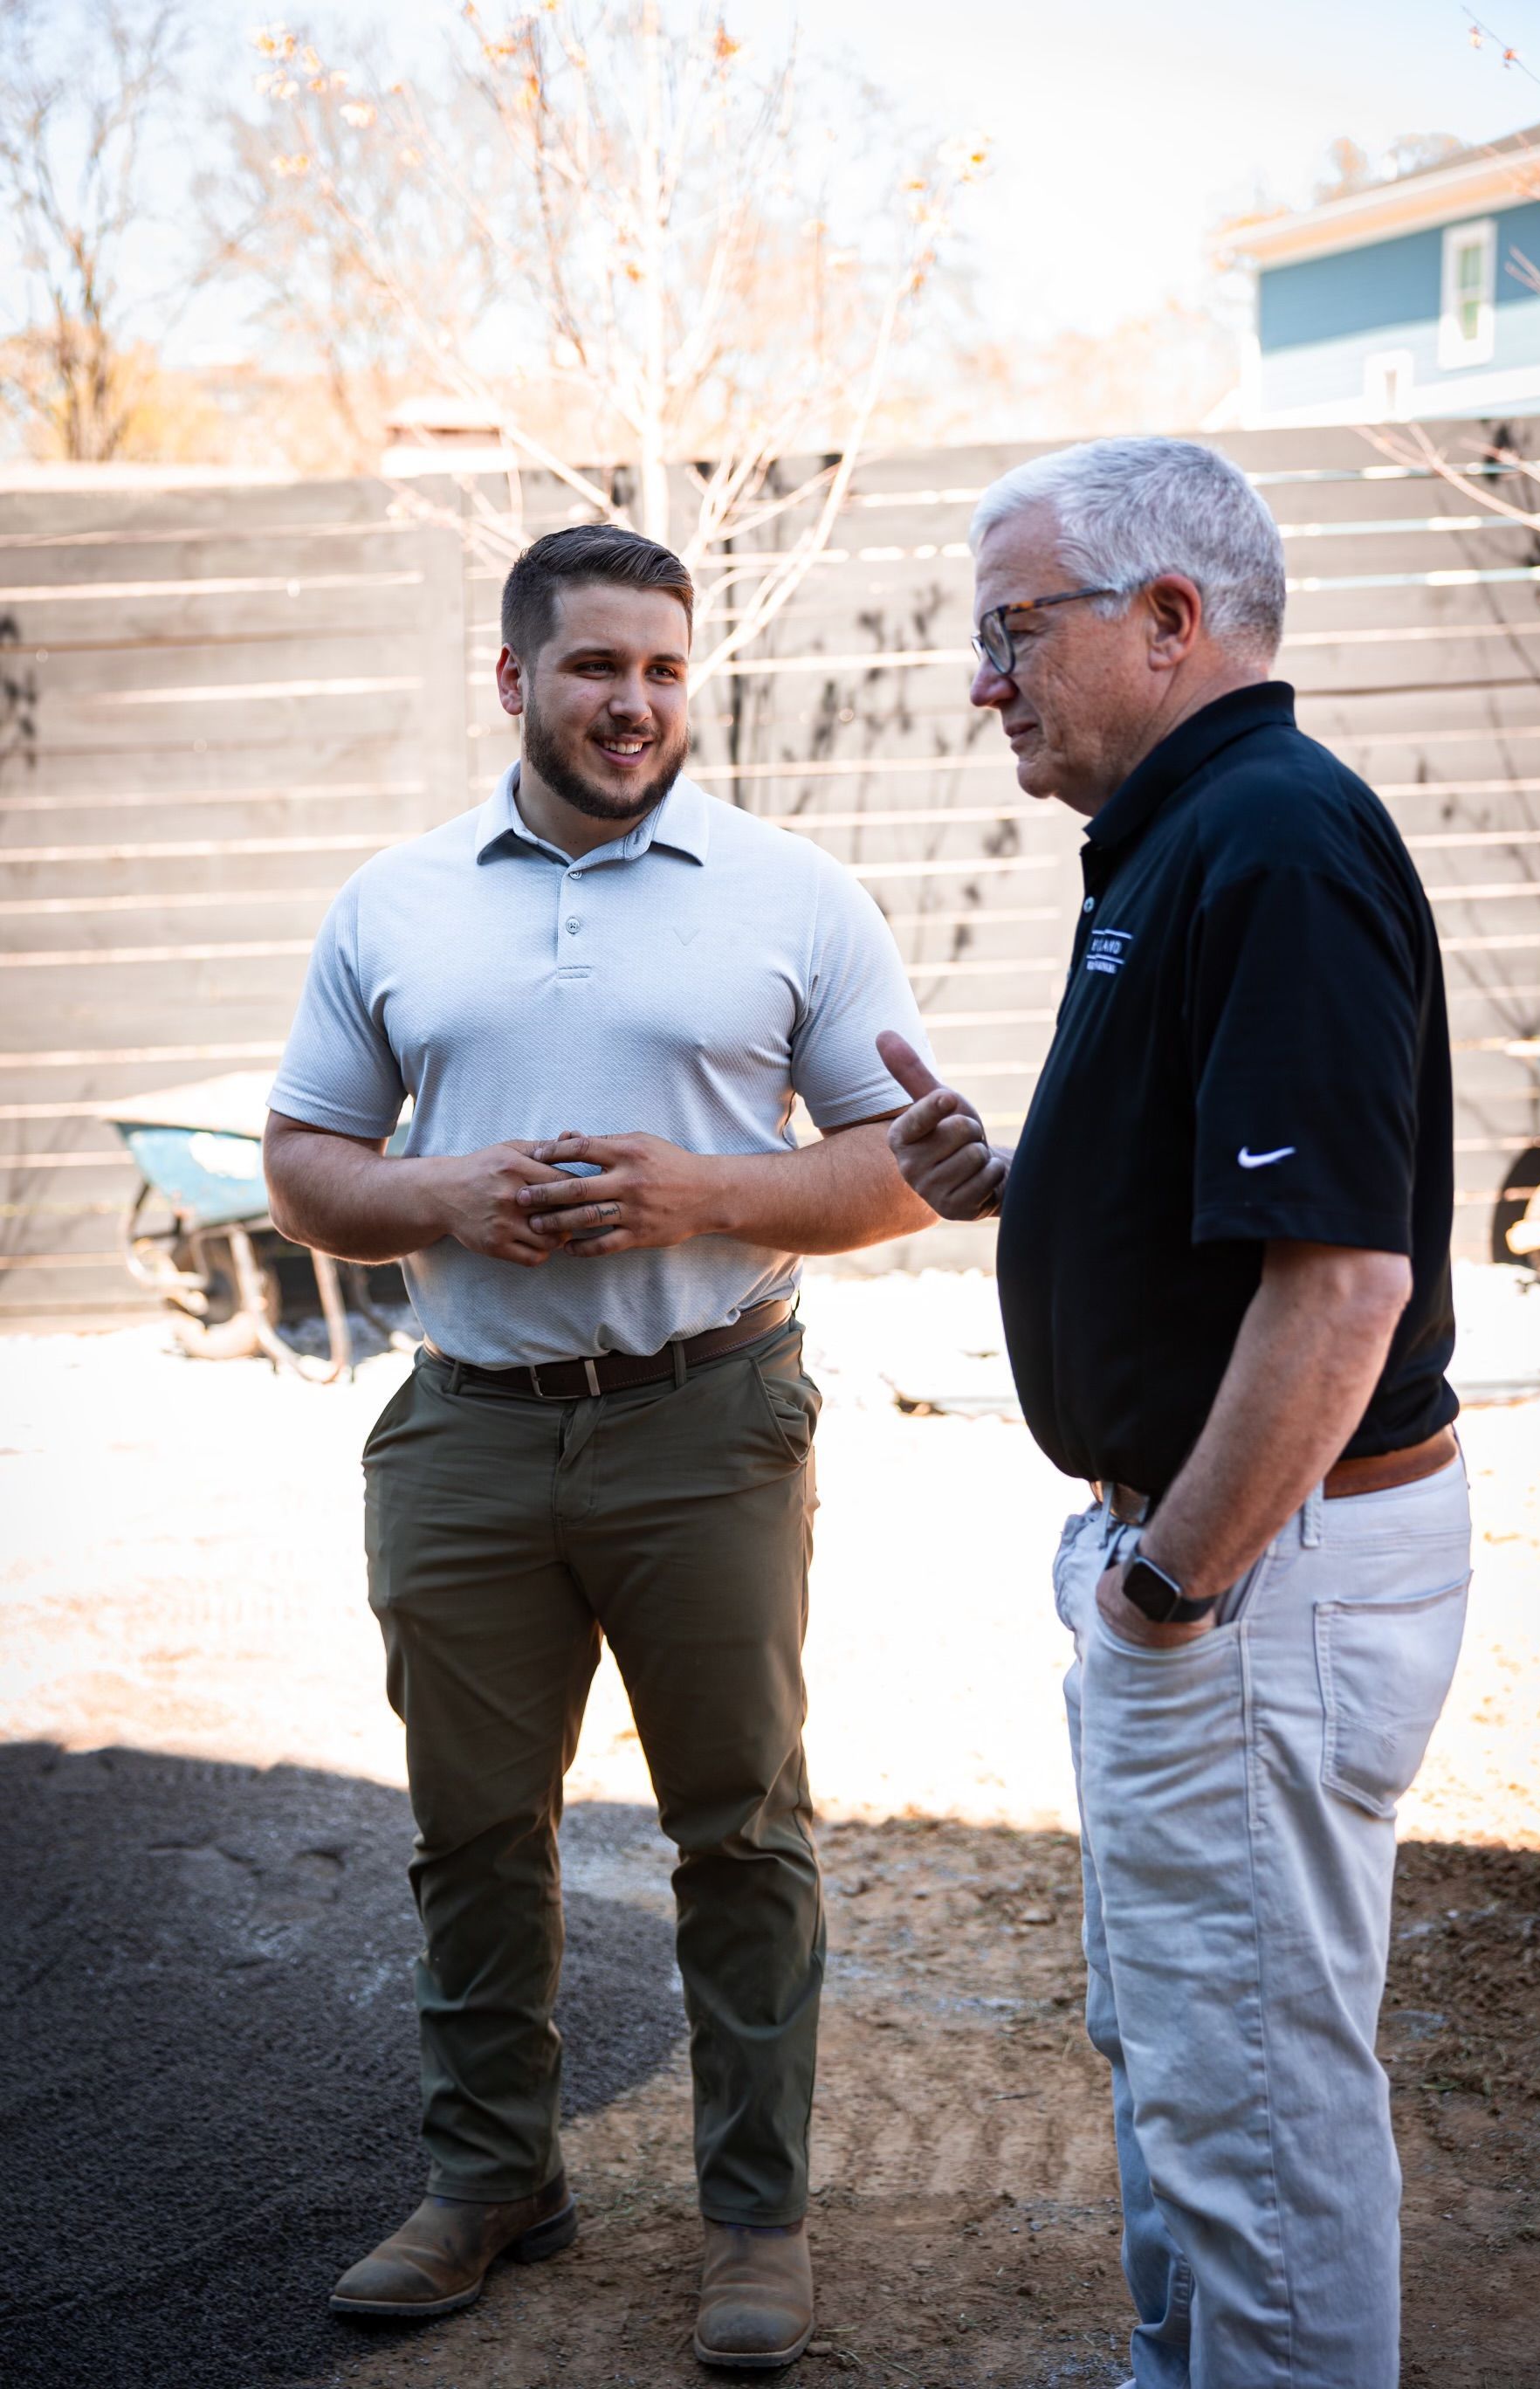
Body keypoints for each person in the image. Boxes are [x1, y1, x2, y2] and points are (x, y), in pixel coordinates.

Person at [263, 522, 932, 2370]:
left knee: (742, 1833)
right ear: (514, 681)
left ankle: (753, 2217)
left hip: (710, 1417)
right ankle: (490, 2182)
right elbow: (307, 1162)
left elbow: (904, 1164)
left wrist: (700, 1191)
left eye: (659, 669)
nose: (633, 704)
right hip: (466, 1434)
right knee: (473, 1834)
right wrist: (438, 1197)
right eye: (594, 669)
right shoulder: (393, 902)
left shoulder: (793, 893)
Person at [880, 436, 1468, 2389]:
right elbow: (1224, 1198)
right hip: (1219, 1572)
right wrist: (1025, 1184)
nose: (985, 682)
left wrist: (1168, 1597)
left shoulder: (1274, 838)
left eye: (1011, 631)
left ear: (1168, 618)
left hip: (1248, 1584)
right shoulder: (1187, 836)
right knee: (1186, 2065)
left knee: (1261, 2122)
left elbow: (1342, 1282)